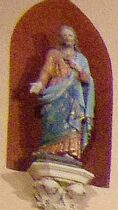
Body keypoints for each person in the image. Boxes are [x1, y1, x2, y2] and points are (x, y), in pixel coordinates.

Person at [28, 25, 94, 162]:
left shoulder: (81, 59)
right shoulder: (53, 53)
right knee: (51, 118)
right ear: (60, 38)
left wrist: (79, 69)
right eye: (64, 35)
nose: (67, 38)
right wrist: (40, 84)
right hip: (55, 90)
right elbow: (46, 71)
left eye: (70, 35)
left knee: (72, 121)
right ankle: (48, 149)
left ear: (74, 39)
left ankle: (69, 150)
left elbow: (87, 80)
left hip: (73, 95)